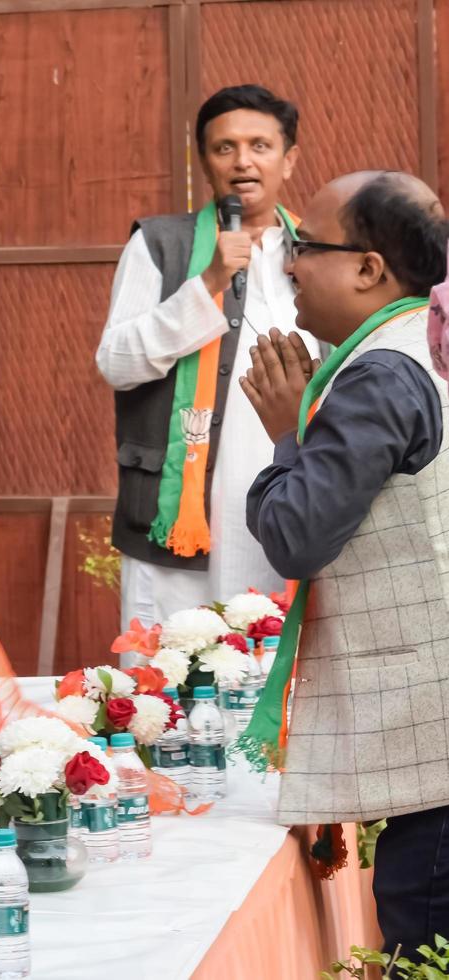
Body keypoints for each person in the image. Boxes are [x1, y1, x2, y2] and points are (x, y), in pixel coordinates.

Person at [239, 170, 449, 956]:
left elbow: (295, 533)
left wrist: (286, 434)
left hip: (433, 737)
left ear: (368, 269)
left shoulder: (380, 373)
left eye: (303, 246)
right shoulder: (423, 342)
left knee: (422, 939)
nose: (287, 263)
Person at [97, 84, 318, 637]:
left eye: (260, 146)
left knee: (275, 687)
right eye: (225, 148)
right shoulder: (160, 245)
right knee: (174, 685)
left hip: (290, 505)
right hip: (183, 515)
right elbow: (116, 363)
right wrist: (211, 282)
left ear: (288, 160)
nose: (243, 161)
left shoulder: (320, 252)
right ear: (203, 162)